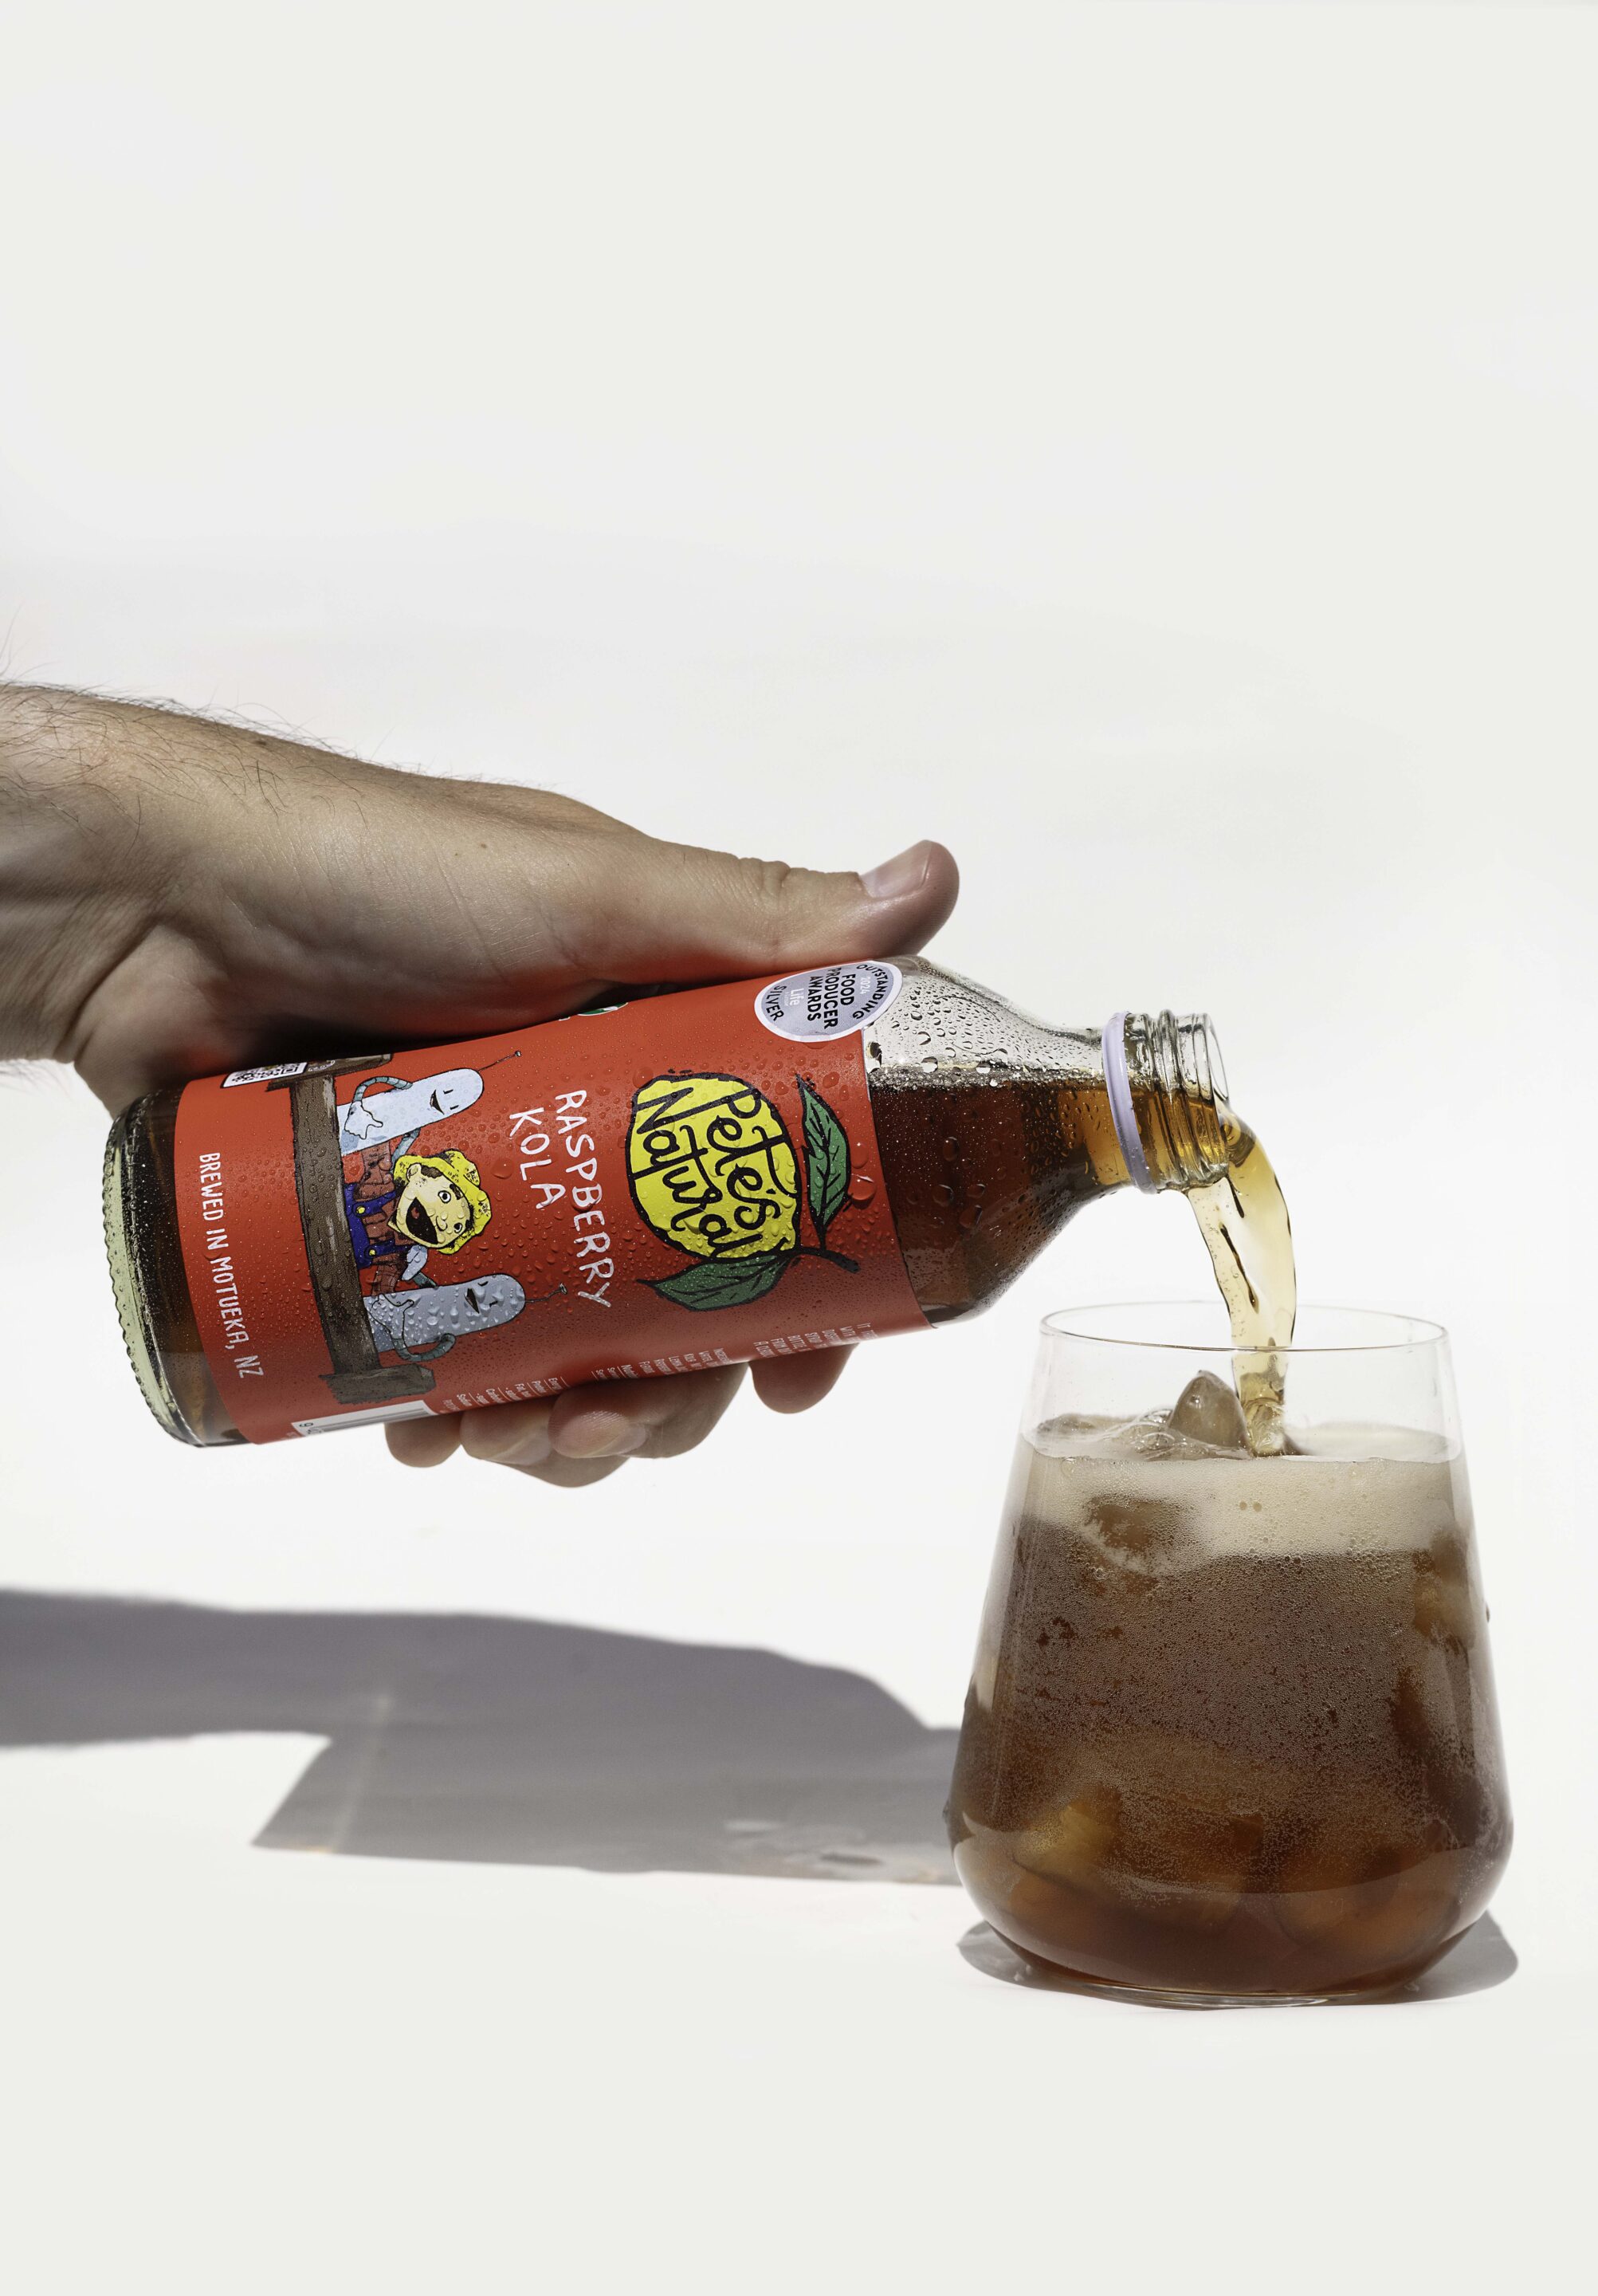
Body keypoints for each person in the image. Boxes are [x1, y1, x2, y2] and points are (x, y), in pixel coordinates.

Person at [0, 682, 958, 1486]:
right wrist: (141, 893)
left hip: (260, 1350)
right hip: (222, 1186)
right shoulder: (935, 1041)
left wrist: (126, 916)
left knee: (515, 1326)